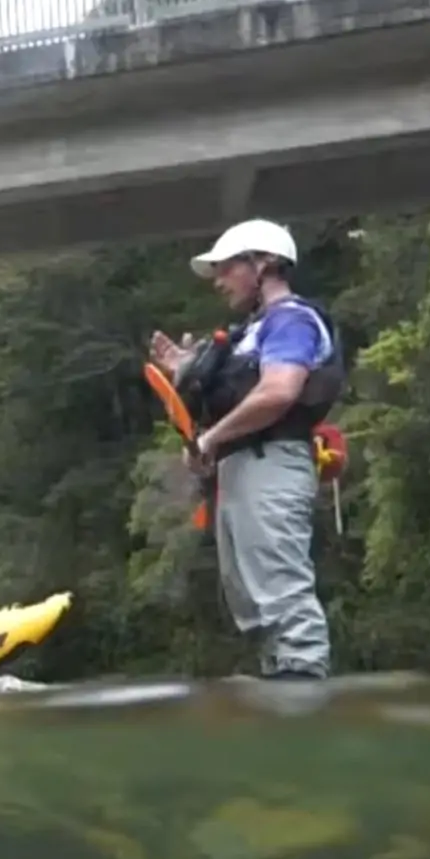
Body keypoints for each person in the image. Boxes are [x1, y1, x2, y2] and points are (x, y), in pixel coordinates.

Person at [150, 218, 343, 679]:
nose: (218, 281)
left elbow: (279, 391)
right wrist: (184, 370)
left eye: (227, 267)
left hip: (272, 464)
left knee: (283, 598)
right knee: (252, 603)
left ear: (267, 263)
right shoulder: (247, 334)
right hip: (239, 471)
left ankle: (302, 698)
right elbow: (228, 395)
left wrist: (210, 439)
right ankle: (283, 694)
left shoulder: (291, 319)